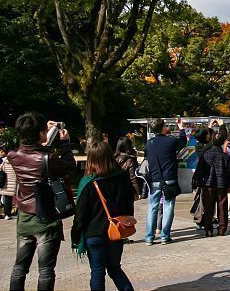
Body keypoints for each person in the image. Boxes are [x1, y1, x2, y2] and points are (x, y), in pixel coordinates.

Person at [8, 112, 77, 291]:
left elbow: (30, 149)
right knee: (45, 270)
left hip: (24, 217)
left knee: (19, 267)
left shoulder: (13, 156)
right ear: (40, 133)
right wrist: (65, 143)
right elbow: (70, 167)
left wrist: (44, 133)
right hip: (45, 217)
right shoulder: (47, 159)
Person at [71, 142, 135, 291]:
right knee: (115, 269)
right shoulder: (122, 178)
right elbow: (128, 205)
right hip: (116, 231)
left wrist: (76, 236)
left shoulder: (88, 183)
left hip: (93, 232)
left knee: (98, 272)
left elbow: (80, 214)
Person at [143, 118, 184, 246]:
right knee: (168, 206)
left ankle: (149, 237)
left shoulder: (149, 143)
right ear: (163, 128)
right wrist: (181, 128)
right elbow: (183, 142)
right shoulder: (170, 140)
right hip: (170, 178)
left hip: (155, 179)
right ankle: (164, 236)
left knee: (152, 207)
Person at [200, 128, 230, 237]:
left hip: (208, 184)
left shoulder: (206, 154)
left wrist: (198, 182)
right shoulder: (225, 156)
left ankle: (208, 230)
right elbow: (229, 172)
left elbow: (200, 170)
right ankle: (222, 228)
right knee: (222, 206)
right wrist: (229, 185)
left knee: (208, 207)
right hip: (222, 184)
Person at [115, 131, 139, 200]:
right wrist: (138, 192)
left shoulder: (113, 158)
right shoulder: (130, 160)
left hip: (115, 188)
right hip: (126, 189)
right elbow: (132, 178)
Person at [0, 155, 17, 220]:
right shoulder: (15, 162)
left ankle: (7, 214)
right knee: (18, 198)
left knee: (7, 199)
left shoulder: (3, 162)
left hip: (6, 183)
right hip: (14, 182)